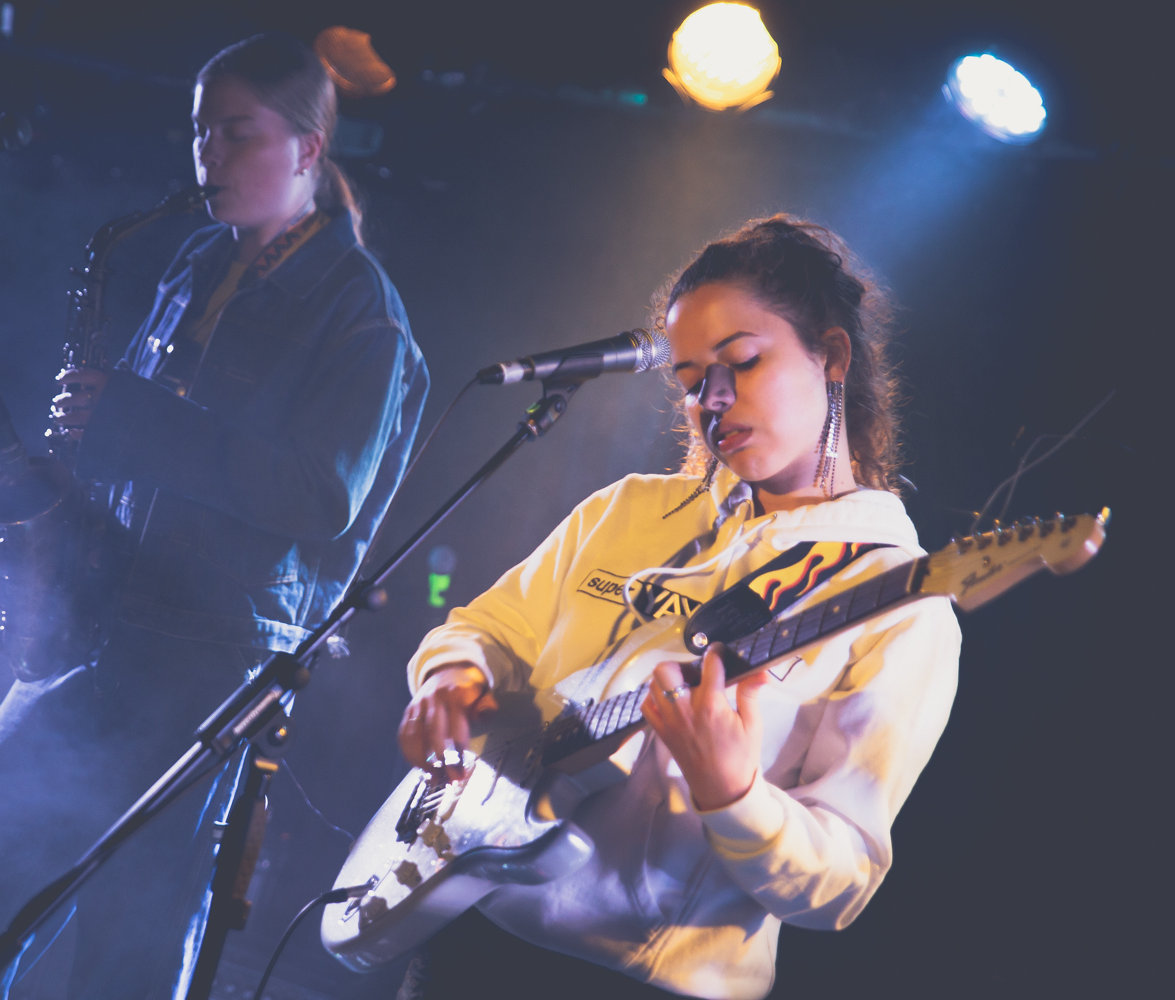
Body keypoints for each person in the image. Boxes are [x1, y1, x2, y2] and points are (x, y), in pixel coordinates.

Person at [0, 33, 428, 1000]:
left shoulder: (359, 305)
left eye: (236, 133)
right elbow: (137, 437)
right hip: (99, 624)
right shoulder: (192, 262)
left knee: (126, 968)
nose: (208, 155)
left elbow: (325, 496)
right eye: (200, 131)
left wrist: (140, 424)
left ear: (306, 148)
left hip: (208, 663)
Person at [394, 217, 958, 999]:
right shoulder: (629, 509)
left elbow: (841, 881)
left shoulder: (898, 600)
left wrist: (735, 794)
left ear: (832, 355)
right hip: (468, 931)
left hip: (641, 981)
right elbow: (488, 628)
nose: (712, 400)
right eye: (691, 378)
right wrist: (448, 682)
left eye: (742, 362)